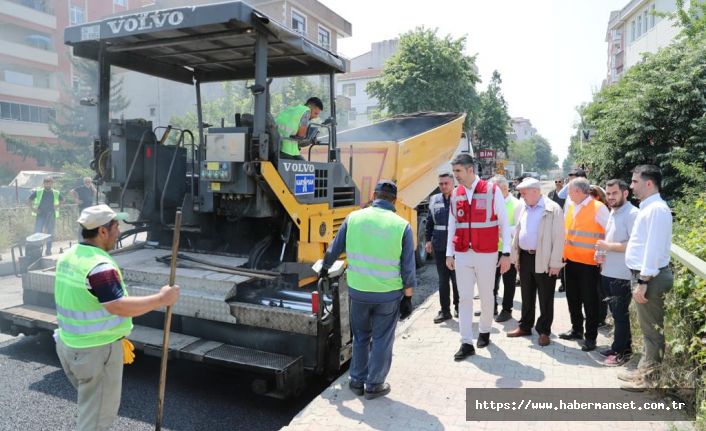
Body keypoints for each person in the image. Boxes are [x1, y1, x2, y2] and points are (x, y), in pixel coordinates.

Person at [54, 204, 180, 431]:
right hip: (96, 352)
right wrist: (162, 298)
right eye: (116, 227)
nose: (119, 231)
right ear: (103, 232)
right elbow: (118, 306)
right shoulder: (99, 266)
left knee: (90, 408)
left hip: (69, 345)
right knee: (95, 423)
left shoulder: (70, 255)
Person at [320, 180, 415, 399]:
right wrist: (408, 299)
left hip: (358, 292)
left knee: (361, 337)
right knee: (382, 339)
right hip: (388, 296)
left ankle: (356, 380)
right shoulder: (402, 226)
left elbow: (334, 249)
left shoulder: (353, 218)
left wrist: (324, 268)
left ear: (373, 195)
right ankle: (374, 385)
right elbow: (408, 268)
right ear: (395, 200)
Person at [445, 154, 511, 360]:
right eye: (454, 171)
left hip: (487, 253)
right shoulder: (456, 194)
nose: (455, 176)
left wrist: (506, 253)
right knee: (464, 298)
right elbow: (452, 226)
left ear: (470, 170)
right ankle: (466, 342)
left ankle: (484, 331)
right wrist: (449, 253)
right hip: (463, 252)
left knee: (486, 295)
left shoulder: (492, 191)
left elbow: (504, 223)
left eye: (458, 171)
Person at [619, 165, 673, 391]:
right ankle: (643, 372)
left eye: (634, 182)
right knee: (647, 329)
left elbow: (652, 249)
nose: (631, 186)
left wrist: (643, 282)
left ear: (648, 183)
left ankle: (648, 380)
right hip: (645, 277)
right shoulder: (649, 208)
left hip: (650, 279)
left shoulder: (657, 210)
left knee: (652, 331)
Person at [506, 178, 564, 346]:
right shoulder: (524, 207)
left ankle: (544, 331)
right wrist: (515, 257)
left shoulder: (553, 209)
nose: (521, 196)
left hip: (544, 259)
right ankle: (525, 326)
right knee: (526, 294)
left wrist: (555, 263)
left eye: (523, 193)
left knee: (545, 296)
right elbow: (519, 231)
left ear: (535, 191)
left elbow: (559, 238)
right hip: (525, 257)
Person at [559, 177, 609, 352]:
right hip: (570, 261)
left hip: (589, 264)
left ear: (579, 191)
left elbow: (610, 234)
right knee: (572, 298)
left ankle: (590, 337)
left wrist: (603, 256)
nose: (568, 195)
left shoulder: (598, 208)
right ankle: (576, 330)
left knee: (590, 301)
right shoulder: (571, 206)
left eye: (570, 191)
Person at [595, 179, 639, 366]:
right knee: (615, 314)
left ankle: (623, 352)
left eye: (614, 193)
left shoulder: (632, 214)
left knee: (620, 315)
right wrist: (602, 252)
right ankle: (617, 347)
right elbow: (611, 239)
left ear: (625, 193)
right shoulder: (613, 212)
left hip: (622, 274)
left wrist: (607, 246)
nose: (611, 197)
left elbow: (632, 244)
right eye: (608, 193)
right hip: (608, 271)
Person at [425, 173, 459, 323]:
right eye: (441, 184)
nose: (443, 186)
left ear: (453, 183)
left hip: (457, 246)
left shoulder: (460, 197)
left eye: (446, 183)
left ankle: (459, 307)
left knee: (457, 279)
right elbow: (429, 222)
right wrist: (427, 240)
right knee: (443, 280)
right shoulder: (434, 200)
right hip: (440, 246)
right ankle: (445, 311)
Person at [490, 175, 521, 322]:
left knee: (508, 282)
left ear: (504, 188)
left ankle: (507, 309)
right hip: (490, 250)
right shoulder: (490, 202)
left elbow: (520, 228)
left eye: (493, 189)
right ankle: (491, 306)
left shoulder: (516, 204)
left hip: (508, 251)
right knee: (490, 281)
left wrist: (504, 231)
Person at [28, 176, 64, 255]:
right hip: (40, 214)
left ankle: (48, 250)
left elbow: (63, 200)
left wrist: (57, 206)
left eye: (49, 183)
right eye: (46, 183)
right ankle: (37, 250)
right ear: (43, 184)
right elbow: (29, 200)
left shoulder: (55, 192)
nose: (47, 185)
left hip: (51, 215)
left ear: (52, 183)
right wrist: (33, 209)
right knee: (38, 232)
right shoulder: (38, 191)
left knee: (49, 233)